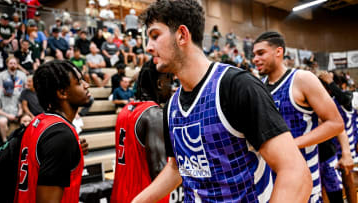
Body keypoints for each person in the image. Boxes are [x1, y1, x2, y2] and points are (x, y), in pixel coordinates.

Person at [133, 0, 312, 202]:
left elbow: (296, 173)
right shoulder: (171, 106)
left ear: (182, 35)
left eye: (155, 36)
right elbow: (176, 168)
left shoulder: (238, 86)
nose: (148, 47)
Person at [253, 31, 344, 202]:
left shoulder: (302, 79)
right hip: (272, 181)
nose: (255, 59)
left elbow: (336, 123)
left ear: (278, 52)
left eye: (261, 53)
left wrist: (291, 144)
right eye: (254, 55)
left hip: (304, 177)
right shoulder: (258, 87)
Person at [14, 60, 91, 202]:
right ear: (62, 93)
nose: (87, 85)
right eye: (79, 82)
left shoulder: (38, 123)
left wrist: (72, 150)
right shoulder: (61, 136)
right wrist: (65, 145)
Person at [111, 59, 172, 203]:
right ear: (159, 83)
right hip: (143, 197)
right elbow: (159, 172)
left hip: (120, 196)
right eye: (171, 81)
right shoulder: (155, 115)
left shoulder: (125, 110)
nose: (172, 87)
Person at [319, 71, 356, 203]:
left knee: (348, 182)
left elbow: (344, 98)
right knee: (328, 186)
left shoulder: (345, 97)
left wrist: (330, 81)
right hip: (330, 148)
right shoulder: (321, 101)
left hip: (345, 147)